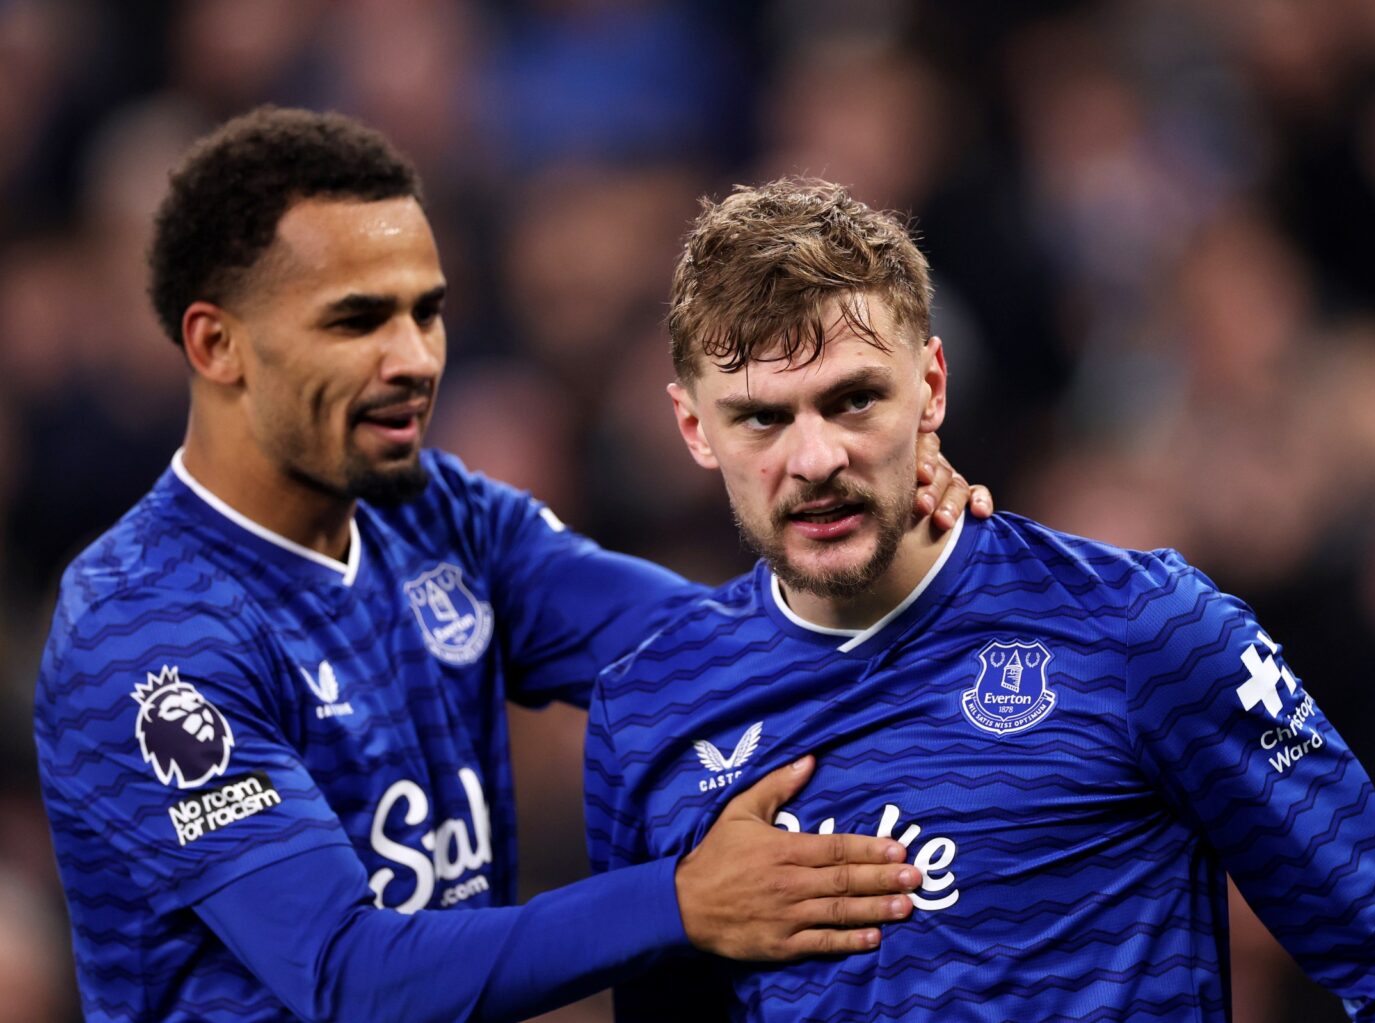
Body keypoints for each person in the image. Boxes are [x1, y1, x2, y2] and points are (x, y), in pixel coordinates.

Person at [32, 109, 992, 1023]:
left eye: (427, 311)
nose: (413, 357)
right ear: (217, 343)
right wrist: (679, 902)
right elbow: (345, 979)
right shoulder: (145, 630)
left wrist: (875, 516)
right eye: (357, 320)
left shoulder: (434, 515)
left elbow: (707, 647)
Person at [584, 177, 1375, 1021]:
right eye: (763, 417)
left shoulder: (1145, 630)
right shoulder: (646, 708)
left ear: (931, 385)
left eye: (853, 399)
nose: (815, 457)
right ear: (695, 428)